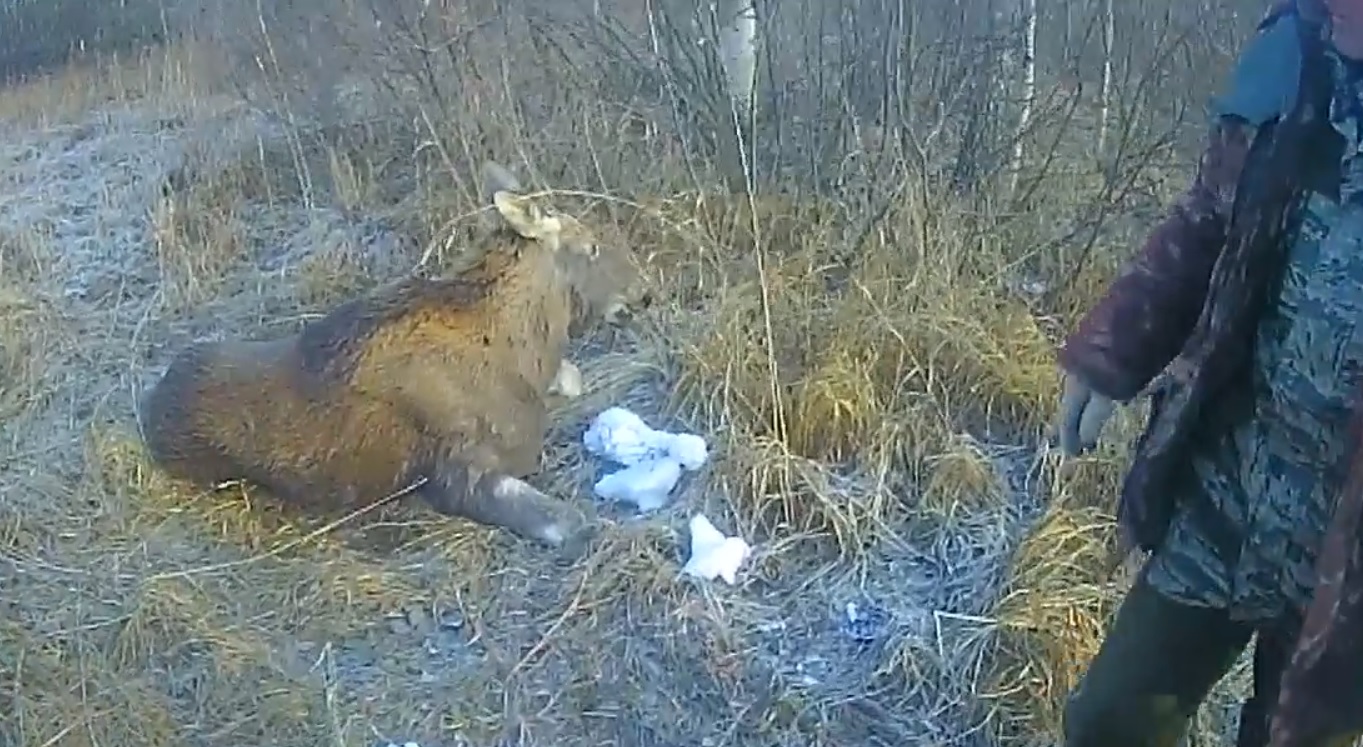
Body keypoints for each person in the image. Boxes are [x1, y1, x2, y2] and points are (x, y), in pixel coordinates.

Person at [1054, 1, 1363, 745]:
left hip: (1347, 568)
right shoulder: (1299, 50)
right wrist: (1115, 347)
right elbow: (1208, 216)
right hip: (1228, 483)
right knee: (1110, 718)